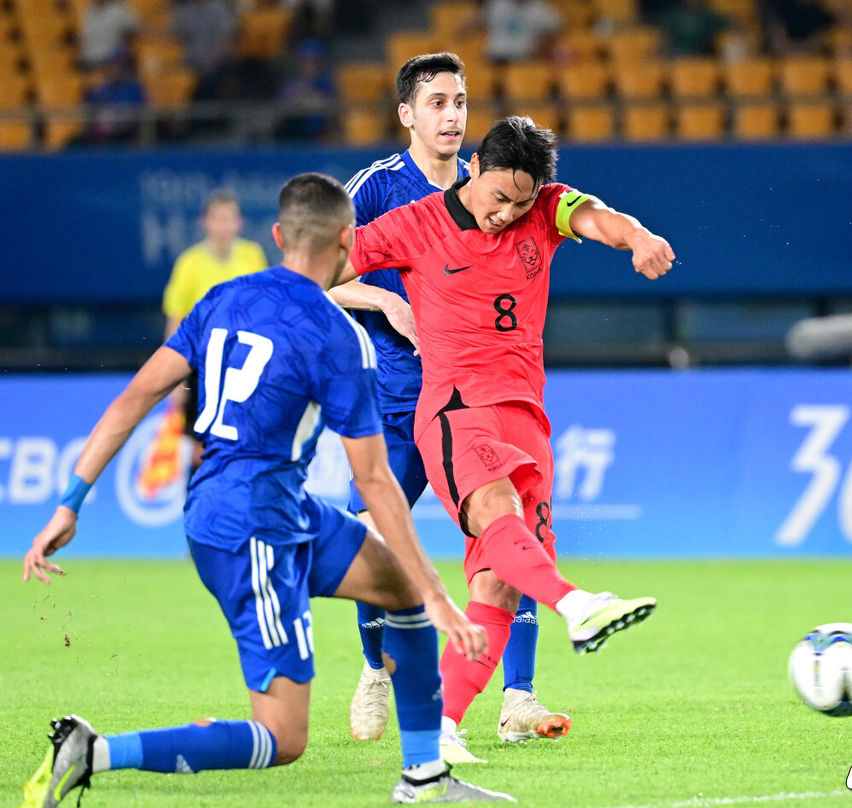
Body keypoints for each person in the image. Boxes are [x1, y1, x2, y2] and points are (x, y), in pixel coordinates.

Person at [19, 173, 512, 807]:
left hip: (268, 505)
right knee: (283, 736)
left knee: (398, 586)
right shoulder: (339, 337)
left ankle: (423, 777)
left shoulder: (222, 300)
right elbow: (374, 481)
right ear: (348, 240)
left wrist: (70, 502)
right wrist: (446, 598)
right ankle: (94, 750)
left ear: (277, 236)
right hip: (250, 528)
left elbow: (136, 395)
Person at [341, 116, 673, 761]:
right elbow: (318, 261)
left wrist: (639, 237)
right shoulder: (413, 223)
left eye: (520, 201)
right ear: (472, 169)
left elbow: (598, 216)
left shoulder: (545, 210)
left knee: (497, 586)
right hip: (455, 407)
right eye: (498, 197)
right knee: (493, 509)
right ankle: (578, 604)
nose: (506, 213)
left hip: (526, 416)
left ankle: (436, 732)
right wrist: (379, 303)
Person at [329, 52, 569, 762]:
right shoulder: (376, 189)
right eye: (437, 102)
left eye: (460, 101)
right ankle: (377, 670)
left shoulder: (487, 185)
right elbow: (316, 271)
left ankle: (518, 697)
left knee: (510, 534)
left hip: (475, 400)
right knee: (373, 537)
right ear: (407, 114)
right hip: (396, 398)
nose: (452, 115)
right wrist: (382, 298)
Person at [159, 188, 266, 481]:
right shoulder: (189, 264)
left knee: (245, 447)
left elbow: (263, 313)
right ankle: (197, 519)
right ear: (204, 223)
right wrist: (176, 380)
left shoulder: (252, 256)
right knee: (199, 451)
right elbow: (175, 322)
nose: (223, 225)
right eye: (217, 219)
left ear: (239, 223)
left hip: (244, 368)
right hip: (201, 371)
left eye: (229, 218)